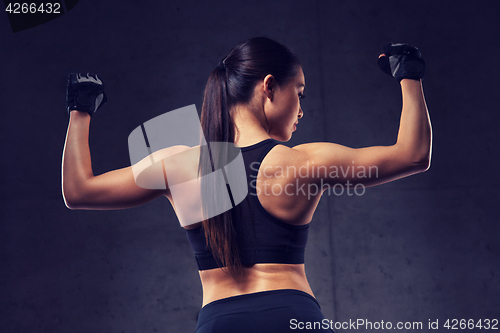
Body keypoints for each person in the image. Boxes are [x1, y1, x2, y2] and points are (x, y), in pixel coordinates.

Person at [62, 37, 432, 332]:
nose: (301, 109)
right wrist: (408, 75)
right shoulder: (302, 162)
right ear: (269, 87)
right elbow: (413, 154)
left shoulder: (177, 165)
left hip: (220, 322)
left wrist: (81, 110)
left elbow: (78, 191)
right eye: (299, 94)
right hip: (294, 316)